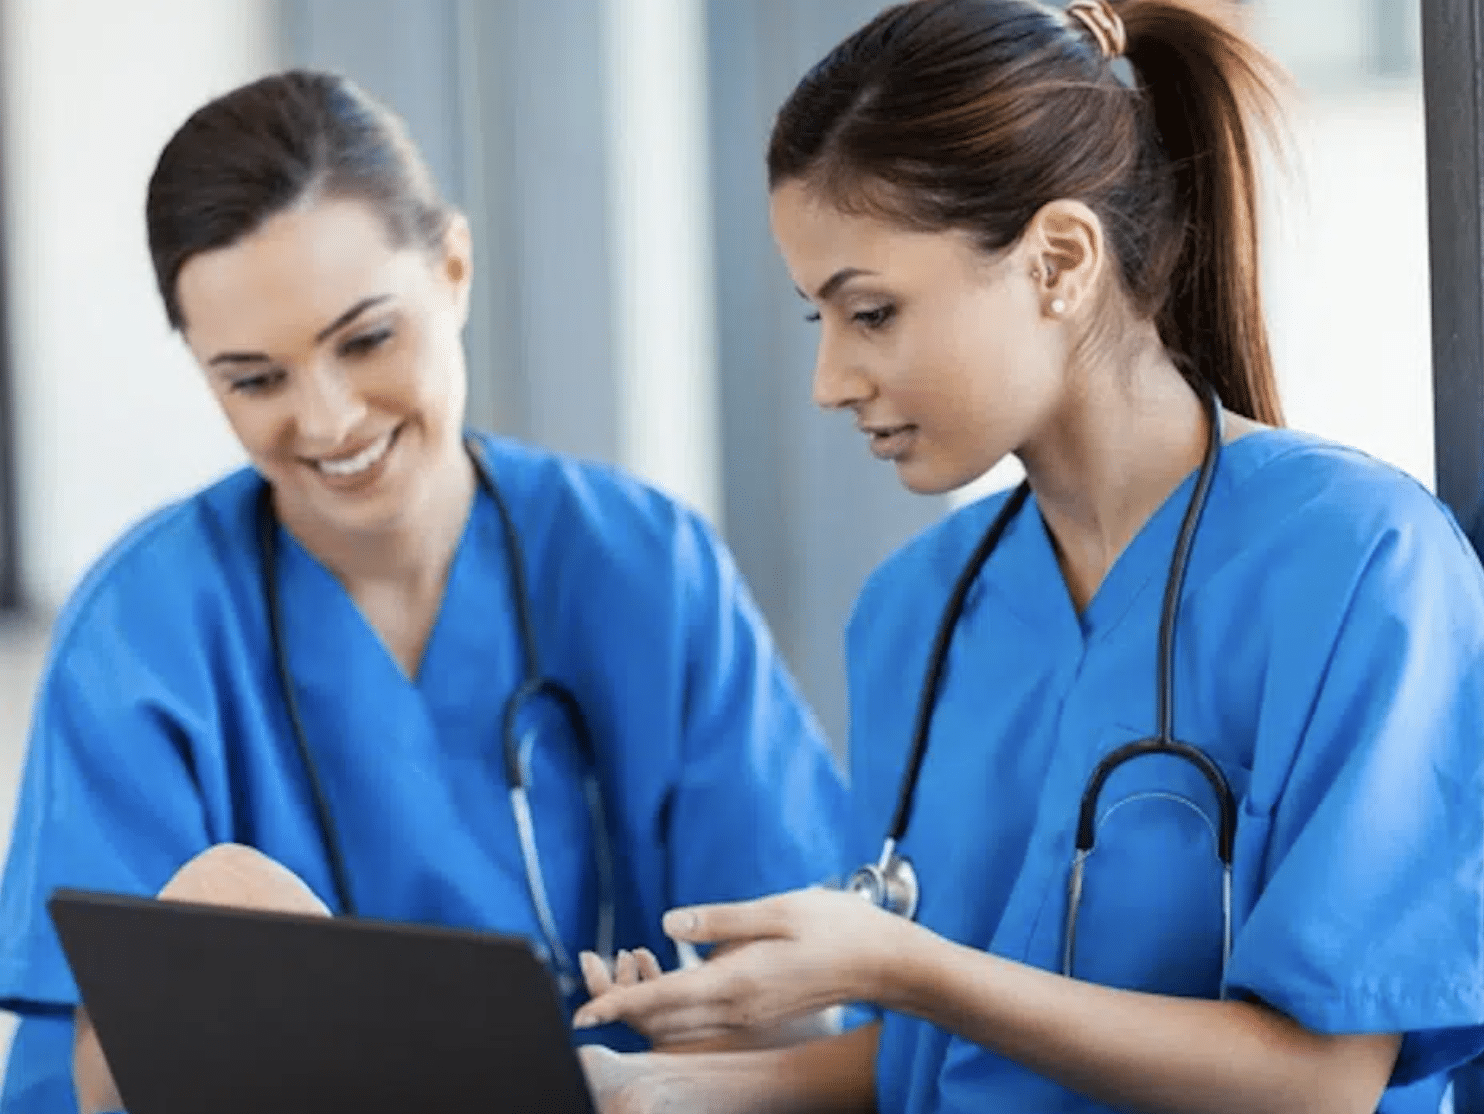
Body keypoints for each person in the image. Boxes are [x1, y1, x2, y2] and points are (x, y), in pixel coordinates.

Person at [570, 1, 1484, 1111]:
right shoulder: (915, 610)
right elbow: (935, 1062)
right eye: (818, 319)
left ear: (1057, 259)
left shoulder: (1358, 564)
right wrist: (670, 1085)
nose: (830, 381)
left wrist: (895, 963)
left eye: (870, 312)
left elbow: (1319, 1080)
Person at [0, 70, 854, 1114]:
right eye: (253, 378)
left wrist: (709, 1041)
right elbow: (86, 1077)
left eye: (365, 339)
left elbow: (803, 1003)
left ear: (451, 268)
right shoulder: (143, 631)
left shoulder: (641, 565)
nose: (326, 421)